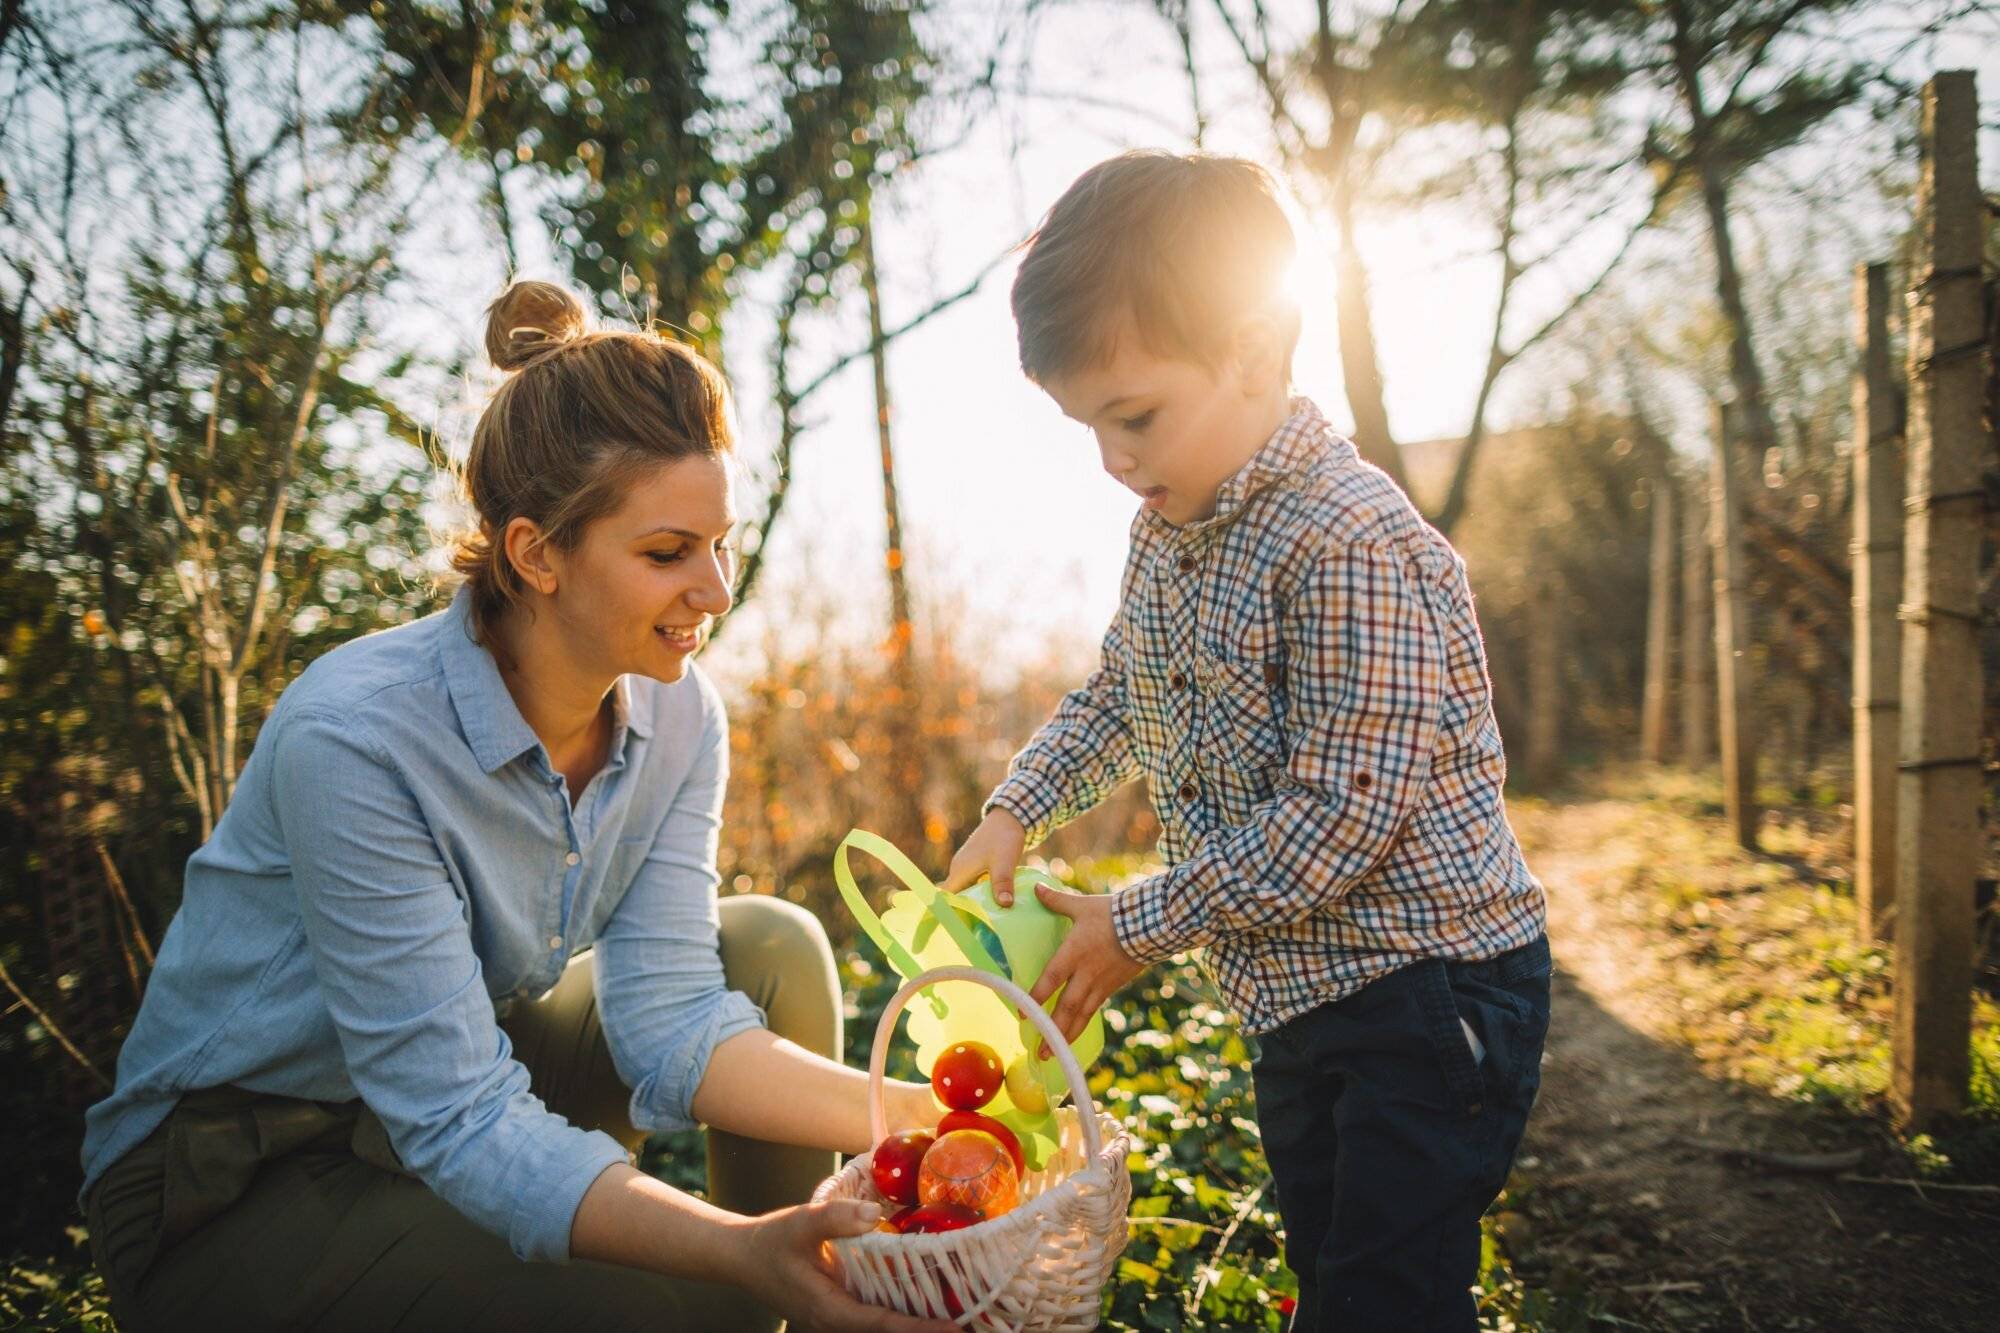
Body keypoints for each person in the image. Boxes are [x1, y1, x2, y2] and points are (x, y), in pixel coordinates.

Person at [80, 280, 951, 1333]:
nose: (716, 591)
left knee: (766, 943)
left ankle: (807, 1291)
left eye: (719, 543)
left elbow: (673, 1019)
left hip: (445, 1086)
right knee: (682, 1301)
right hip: (229, 1181)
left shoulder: (678, 719)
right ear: (535, 553)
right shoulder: (356, 738)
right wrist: (730, 1252)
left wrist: (919, 1115)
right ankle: (761, 1285)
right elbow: (458, 1114)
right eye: (667, 553)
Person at [941, 152, 1552, 1332]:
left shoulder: (1346, 542)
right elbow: (1123, 687)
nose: (1113, 458)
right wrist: (1019, 805)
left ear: (1256, 355)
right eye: (1090, 427)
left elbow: (1339, 821)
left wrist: (1142, 920)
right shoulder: (1166, 532)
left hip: (1428, 992)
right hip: (1297, 994)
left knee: (1391, 1291)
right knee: (1330, 1266)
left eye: (1135, 416)